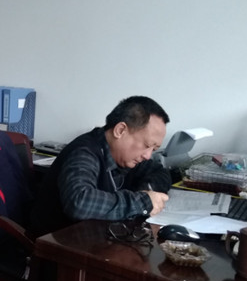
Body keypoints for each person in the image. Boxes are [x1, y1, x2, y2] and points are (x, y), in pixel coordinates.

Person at [29, 95, 172, 237]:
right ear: (120, 130)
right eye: (147, 145)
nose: (147, 155)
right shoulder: (84, 152)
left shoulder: (128, 156)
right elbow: (79, 202)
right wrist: (143, 202)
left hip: (97, 237)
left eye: (154, 149)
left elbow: (161, 173)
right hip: (56, 243)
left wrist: (146, 191)